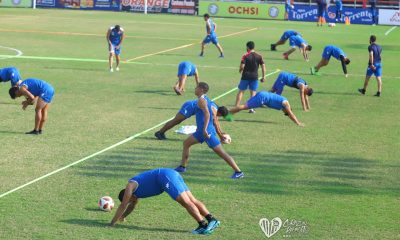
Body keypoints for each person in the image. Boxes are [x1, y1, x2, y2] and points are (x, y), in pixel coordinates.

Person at [110, 168, 220, 235]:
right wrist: (123, 217)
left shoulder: (130, 186)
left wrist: (112, 223)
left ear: (128, 196)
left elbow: (123, 205)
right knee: (191, 200)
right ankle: (212, 220)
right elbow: (130, 206)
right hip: (169, 175)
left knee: (186, 202)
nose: (133, 202)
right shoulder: (135, 195)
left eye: (129, 200)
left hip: (165, 177)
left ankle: (202, 225)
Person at [175, 82, 244, 179]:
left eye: (196, 88)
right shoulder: (206, 100)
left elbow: (208, 115)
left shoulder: (202, 101)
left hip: (207, 132)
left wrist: (204, 130)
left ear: (201, 89)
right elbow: (213, 117)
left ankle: (238, 172)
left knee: (222, 153)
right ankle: (182, 166)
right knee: (186, 143)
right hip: (201, 132)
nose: (195, 89)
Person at [154, 99, 229, 140]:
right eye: (220, 116)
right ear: (219, 113)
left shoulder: (215, 107)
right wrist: (221, 136)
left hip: (192, 107)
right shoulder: (214, 111)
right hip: (189, 106)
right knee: (176, 121)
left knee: (177, 121)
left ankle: (161, 132)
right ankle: (160, 133)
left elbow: (216, 122)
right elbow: (215, 123)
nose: (219, 117)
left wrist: (221, 132)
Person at [229, 91, 305, 127]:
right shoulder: (286, 104)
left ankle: (229, 115)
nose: (284, 113)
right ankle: (226, 112)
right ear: (288, 109)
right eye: (286, 113)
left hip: (263, 94)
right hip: (263, 98)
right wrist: (298, 123)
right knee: (245, 107)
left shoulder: (283, 105)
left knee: (245, 106)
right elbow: (291, 114)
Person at [235, 41, 266, 114]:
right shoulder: (259, 56)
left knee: (241, 91)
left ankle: (236, 107)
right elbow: (263, 67)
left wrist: (240, 70)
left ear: (248, 47)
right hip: (254, 77)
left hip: (245, 76)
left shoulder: (245, 56)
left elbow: (242, 66)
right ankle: (251, 109)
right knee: (253, 93)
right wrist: (263, 76)